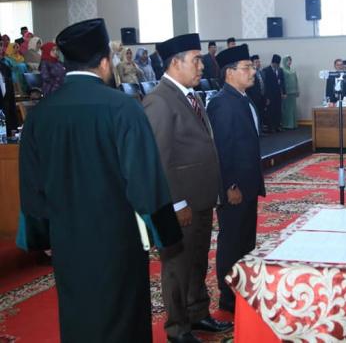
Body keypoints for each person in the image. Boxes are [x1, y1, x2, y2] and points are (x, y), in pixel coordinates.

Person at [16, 18, 183, 343]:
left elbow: (32, 187)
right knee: (122, 319)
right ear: (105, 61)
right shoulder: (123, 108)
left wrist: (40, 235)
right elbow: (144, 180)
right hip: (117, 243)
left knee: (79, 317)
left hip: (68, 242)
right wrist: (165, 233)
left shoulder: (40, 114)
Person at [143, 33, 232, 342]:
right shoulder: (159, 100)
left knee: (197, 261)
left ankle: (197, 313)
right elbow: (159, 159)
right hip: (180, 203)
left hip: (201, 198)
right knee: (177, 267)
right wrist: (176, 202)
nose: (202, 66)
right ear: (175, 63)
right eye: (196, 60)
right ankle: (177, 328)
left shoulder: (189, 96)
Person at [207, 44, 265, 314]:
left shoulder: (243, 98)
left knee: (246, 240)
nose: (252, 72)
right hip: (235, 188)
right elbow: (221, 148)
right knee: (231, 241)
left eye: (252, 66)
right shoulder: (221, 103)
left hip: (248, 184)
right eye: (246, 67)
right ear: (230, 73)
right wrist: (230, 185)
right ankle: (228, 297)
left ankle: (243, 289)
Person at [262, 54, 285, 133]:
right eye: (277, 64)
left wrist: (283, 92)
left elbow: (282, 82)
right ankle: (271, 127)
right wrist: (266, 97)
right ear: (274, 63)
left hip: (278, 94)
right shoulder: (266, 70)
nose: (278, 66)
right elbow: (265, 85)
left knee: (278, 110)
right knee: (271, 111)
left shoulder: (280, 70)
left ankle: (277, 125)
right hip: (270, 94)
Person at [0, 50, 19, 134]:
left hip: (6, 123)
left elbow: (11, 99)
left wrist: (14, 126)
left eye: (1, 45)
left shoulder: (5, 68)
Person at [246, 54, 265, 125]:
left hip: (262, 97)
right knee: (255, 114)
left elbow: (264, 85)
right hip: (254, 98)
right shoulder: (249, 73)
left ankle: (261, 127)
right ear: (252, 63)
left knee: (261, 114)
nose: (258, 63)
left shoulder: (261, 72)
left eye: (259, 62)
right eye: (256, 62)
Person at [281, 55, 299, 129]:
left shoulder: (293, 71)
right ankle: (287, 124)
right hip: (286, 93)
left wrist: (297, 90)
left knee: (293, 109)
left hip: (293, 92)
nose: (289, 62)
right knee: (287, 109)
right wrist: (282, 92)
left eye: (290, 60)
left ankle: (293, 124)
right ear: (284, 61)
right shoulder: (282, 70)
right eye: (288, 60)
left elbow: (296, 81)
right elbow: (282, 82)